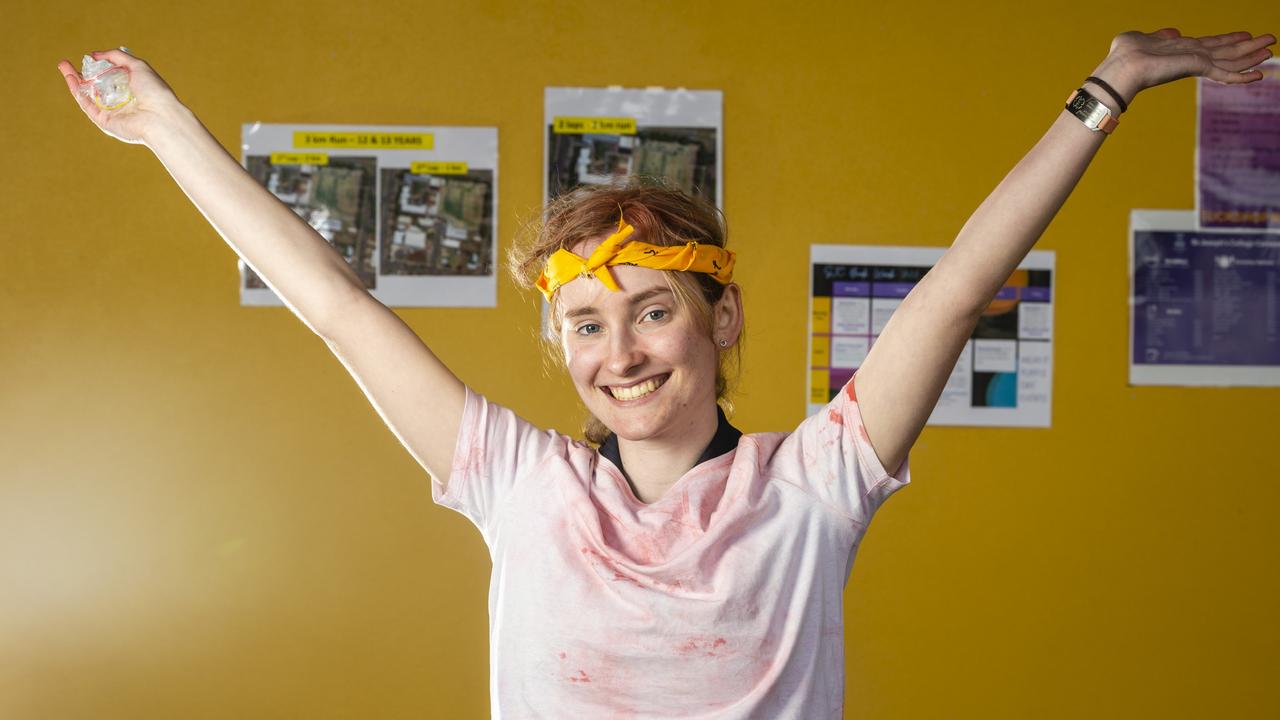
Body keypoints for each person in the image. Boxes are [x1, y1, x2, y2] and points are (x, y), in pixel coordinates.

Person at [59, 28, 1274, 718]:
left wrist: (1105, 88)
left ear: (718, 317)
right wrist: (166, 128)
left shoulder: (814, 485)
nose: (621, 353)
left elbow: (958, 286)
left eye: (650, 312)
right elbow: (330, 302)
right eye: (586, 325)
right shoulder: (518, 485)